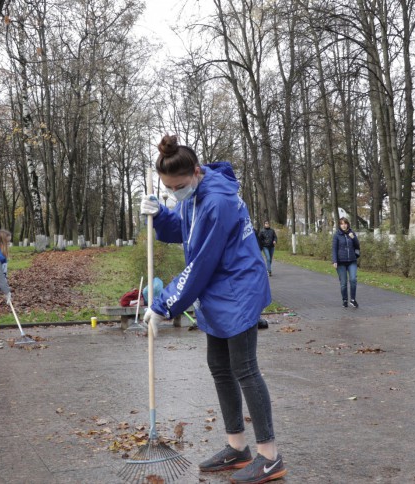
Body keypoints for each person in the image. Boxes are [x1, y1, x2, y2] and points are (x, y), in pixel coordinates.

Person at [140, 135, 286, 483]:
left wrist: (163, 305)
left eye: (178, 187)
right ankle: (237, 447)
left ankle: (270, 457)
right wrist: (161, 215)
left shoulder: (217, 201)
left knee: (245, 368)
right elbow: (184, 229)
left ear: (196, 171)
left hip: (238, 289)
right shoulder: (195, 195)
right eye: (168, 189)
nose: (175, 193)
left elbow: (202, 261)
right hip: (219, 290)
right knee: (219, 367)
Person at [332, 217, 360, 308]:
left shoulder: (352, 233)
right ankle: (345, 299)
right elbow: (334, 249)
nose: (344, 225)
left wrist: (354, 238)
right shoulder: (337, 235)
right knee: (343, 283)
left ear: (348, 224)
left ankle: (353, 300)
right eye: (342, 224)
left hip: (352, 261)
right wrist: (334, 261)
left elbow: (357, 245)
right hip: (341, 262)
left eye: (345, 223)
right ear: (339, 225)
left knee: (353, 280)